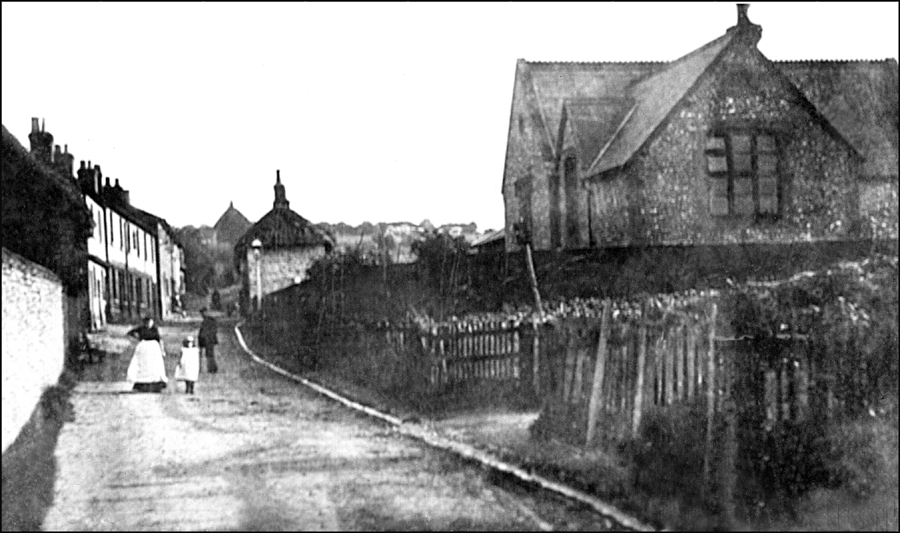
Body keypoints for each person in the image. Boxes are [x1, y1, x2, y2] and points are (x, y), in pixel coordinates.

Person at [126, 317, 168, 392]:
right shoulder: (141, 329)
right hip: (143, 347)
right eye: (147, 322)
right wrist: (136, 338)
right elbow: (130, 333)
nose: (149, 324)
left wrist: (162, 350)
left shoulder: (154, 329)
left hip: (154, 348)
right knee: (143, 364)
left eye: (150, 322)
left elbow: (159, 339)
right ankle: (142, 384)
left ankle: (156, 384)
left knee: (154, 365)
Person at [198, 308, 219, 374]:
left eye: (202, 313)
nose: (202, 315)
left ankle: (212, 368)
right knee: (209, 354)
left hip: (208, 340)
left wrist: (202, 339)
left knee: (209, 354)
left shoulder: (208, 321)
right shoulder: (208, 320)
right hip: (208, 339)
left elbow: (204, 332)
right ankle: (212, 368)